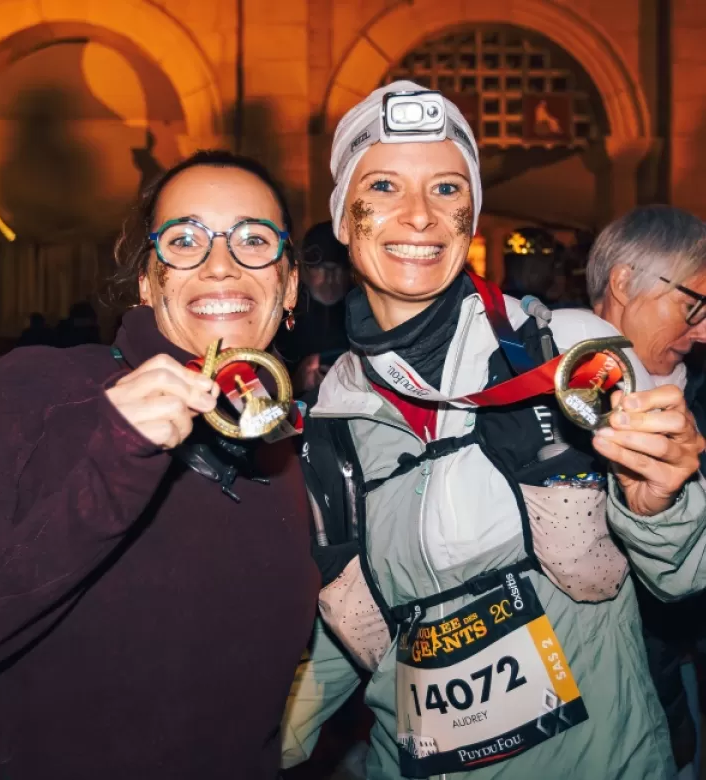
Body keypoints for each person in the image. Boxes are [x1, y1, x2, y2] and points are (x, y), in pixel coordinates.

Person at [282, 81, 706, 780]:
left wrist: (661, 503)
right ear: (344, 221)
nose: (420, 215)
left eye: (447, 189)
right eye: (383, 185)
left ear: (470, 217)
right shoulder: (332, 414)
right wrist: (267, 732)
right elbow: (355, 614)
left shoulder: (570, 353)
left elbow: (685, 573)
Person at [0, 150, 319, 779]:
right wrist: (111, 470)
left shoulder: (285, 448)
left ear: (290, 283)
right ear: (147, 282)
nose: (221, 263)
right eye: (185, 240)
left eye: (253, 239)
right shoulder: (40, 391)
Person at [587, 205, 706, 774]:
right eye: (693, 306)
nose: (704, 331)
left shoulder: (697, 404)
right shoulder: (526, 386)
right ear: (623, 281)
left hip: (664, 691)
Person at [275, 221, 353, 396]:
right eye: (321, 269)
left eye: (338, 270)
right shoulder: (280, 320)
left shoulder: (366, 316)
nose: (330, 279)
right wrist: (295, 384)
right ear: (303, 271)